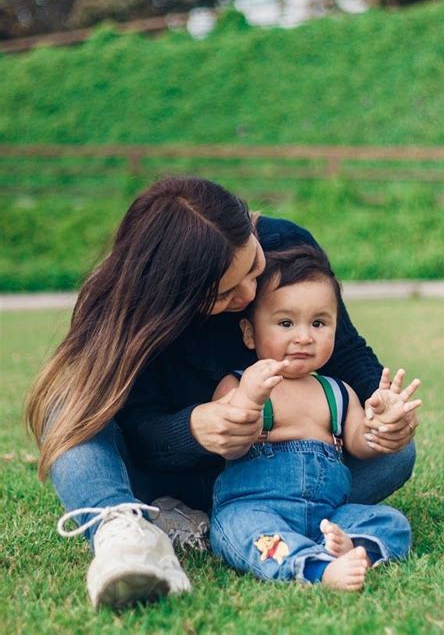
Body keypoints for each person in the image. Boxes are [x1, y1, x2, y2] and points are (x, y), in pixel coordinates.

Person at [25, 176, 419, 609]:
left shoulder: (285, 244)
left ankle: (241, 525)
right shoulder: (130, 310)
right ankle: (125, 532)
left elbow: (343, 346)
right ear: (174, 298)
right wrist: (194, 427)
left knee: (396, 453)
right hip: (165, 474)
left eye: (252, 266)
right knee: (66, 406)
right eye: (225, 293)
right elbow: (136, 428)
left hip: (282, 481)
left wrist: (383, 409)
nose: (249, 293)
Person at [210, 245, 421, 590]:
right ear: (249, 333)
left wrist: (379, 424)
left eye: (319, 323)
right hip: (257, 509)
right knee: (243, 531)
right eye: (286, 323)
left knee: (392, 522)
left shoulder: (338, 392)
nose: (304, 337)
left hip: (327, 516)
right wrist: (247, 402)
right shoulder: (239, 383)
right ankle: (316, 569)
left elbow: (359, 443)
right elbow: (228, 448)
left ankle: (352, 550)